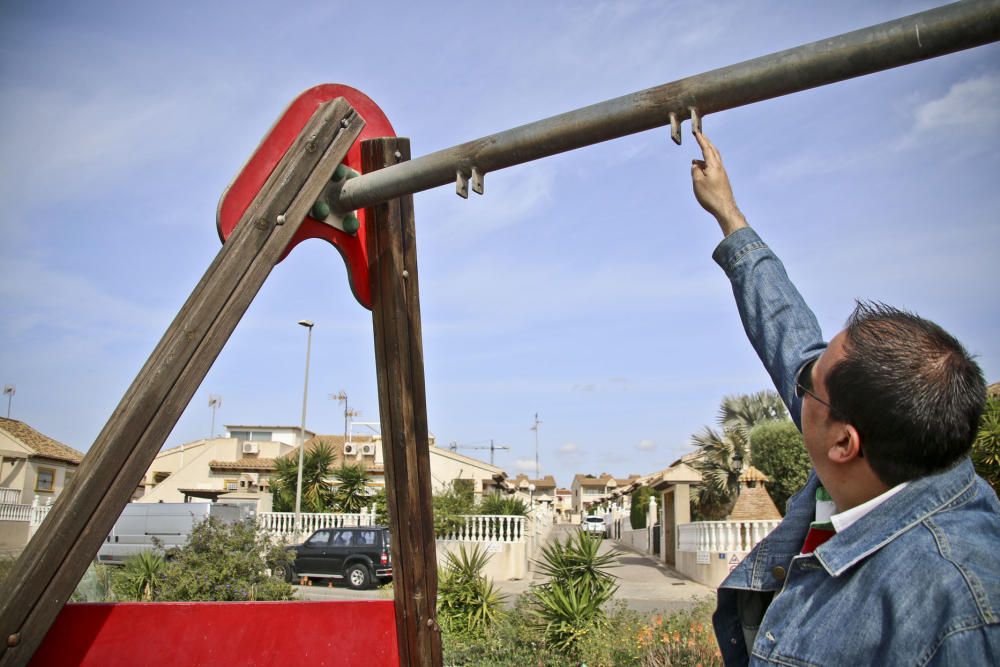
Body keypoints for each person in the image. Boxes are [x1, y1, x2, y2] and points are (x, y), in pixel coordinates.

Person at [690, 132, 1000, 666]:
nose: (799, 373)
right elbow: (791, 336)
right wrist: (729, 215)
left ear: (843, 442)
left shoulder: (960, 612)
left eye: (810, 379)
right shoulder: (895, 451)